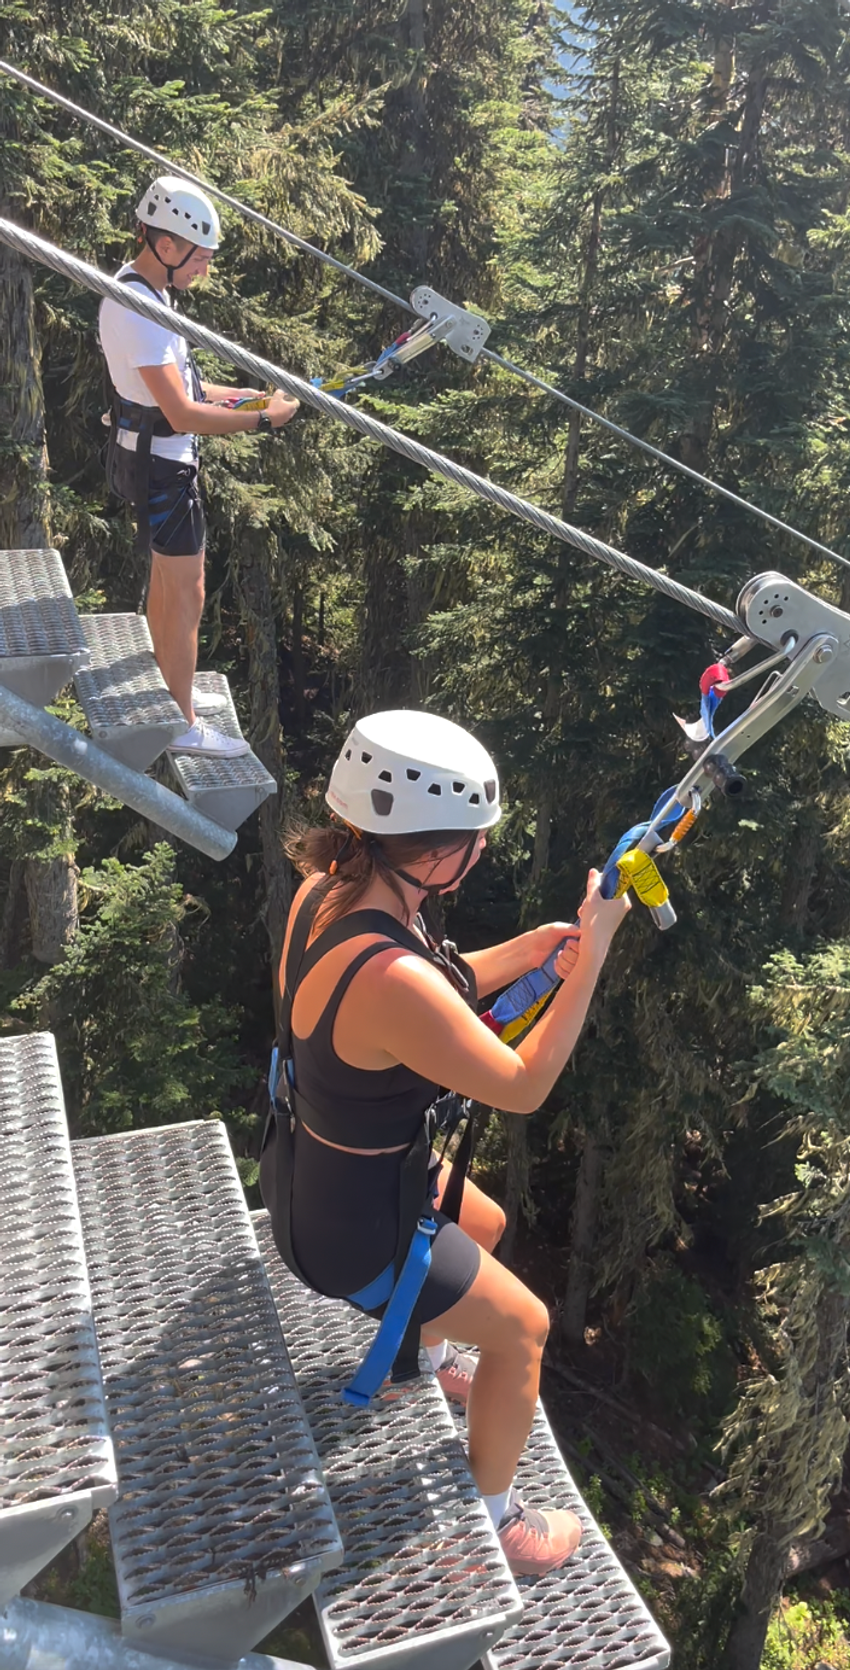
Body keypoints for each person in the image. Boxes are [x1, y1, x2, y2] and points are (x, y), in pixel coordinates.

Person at [260, 709, 630, 1575]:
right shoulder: (392, 979)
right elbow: (523, 1084)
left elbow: (437, 979)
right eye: (473, 841)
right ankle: (494, 1529)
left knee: (489, 1226)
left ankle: (421, 1362)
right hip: (351, 1231)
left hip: (315, 1172)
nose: (479, 854)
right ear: (429, 854)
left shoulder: (334, 889)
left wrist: (534, 951)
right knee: (526, 1328)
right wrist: (599, 949)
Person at [98, 175, 299, 757]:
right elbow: (182, 413)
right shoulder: (141, 310)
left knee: (170, 582)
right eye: (199, 257)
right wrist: (262, 422)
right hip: (164, 468)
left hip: (151, 459)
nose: (203, 270)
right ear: (166, 245)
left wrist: (252, 397)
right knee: (188, 592)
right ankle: (183, 725)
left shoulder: (145, 294)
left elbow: (184, 386)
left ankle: (171, 689)